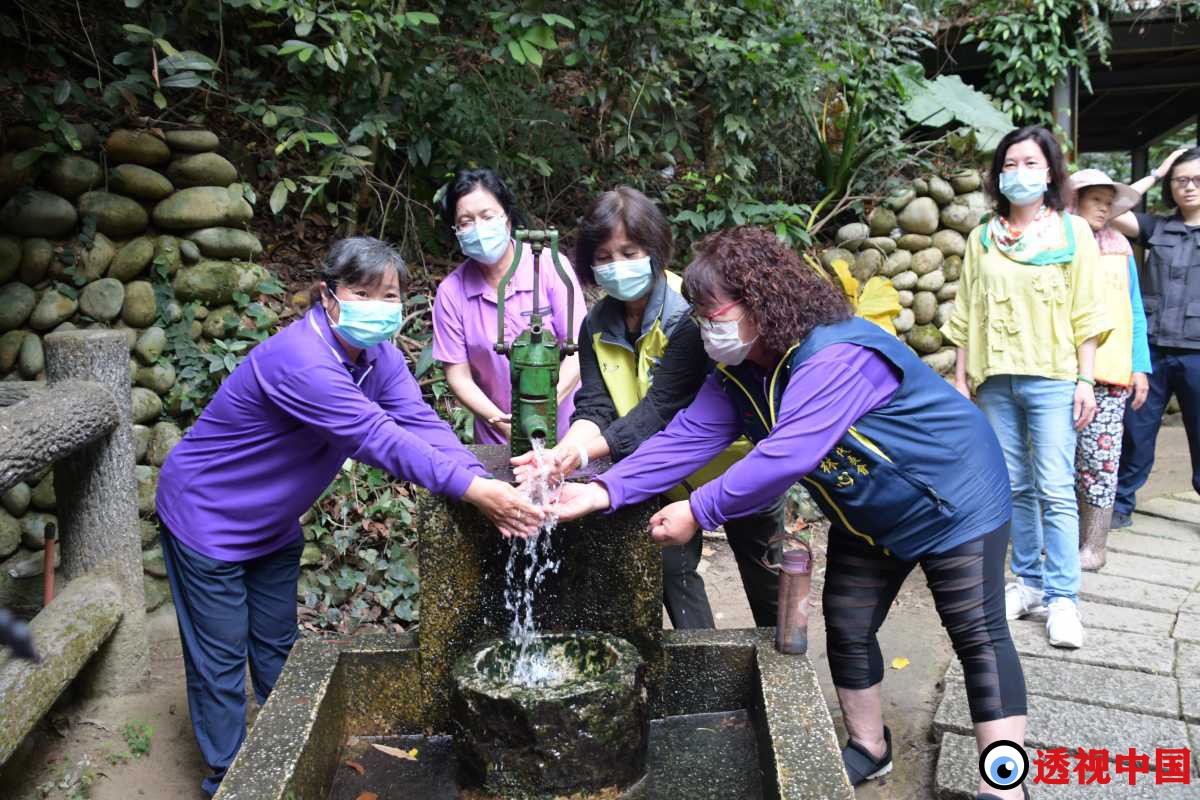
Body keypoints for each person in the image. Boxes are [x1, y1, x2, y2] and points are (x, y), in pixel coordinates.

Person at [553, 226, 1026, 800]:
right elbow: (686, 437)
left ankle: (1005, 787)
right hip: (866, 515)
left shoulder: (839, 352)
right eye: (697, 314)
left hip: (955, 498)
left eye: (711, 311)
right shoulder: (741, 371)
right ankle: (868, 748)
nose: (704, 326)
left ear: (760, 301)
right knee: (849, 626)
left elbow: (786, 455)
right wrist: (604, 491)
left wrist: (698, 510)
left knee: (977, 636)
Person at [156, 237, 543, 798]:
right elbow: (374, 436)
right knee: (218, 661)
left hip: (274, 521)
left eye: (388, 296)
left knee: (277, 646)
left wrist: (479, 477)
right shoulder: (300, 361)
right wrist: (473, 490)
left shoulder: (377, 354)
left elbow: (414, 416)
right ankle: (230, 782)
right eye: (362, 293)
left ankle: (293, 748)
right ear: (328, 296)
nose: (377, 306)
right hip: (208, 518)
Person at [513, 186, 784, 629]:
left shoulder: (690, 314)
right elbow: (596, 403)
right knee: (673, 574)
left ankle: (782, 678)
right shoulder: (597, 322)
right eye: (603, 256)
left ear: (655, 248)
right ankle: (701, 671)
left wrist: (581, 456)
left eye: (630, 251)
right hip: (664, 475)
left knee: (765, 580)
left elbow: (661, 408)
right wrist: (565, 451)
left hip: (740, 470)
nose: (616, 266)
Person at [942, 125, 1109, 650]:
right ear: (997, 174)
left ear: (1051, 172)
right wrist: (961, 376)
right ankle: (1030, 585)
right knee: (1013, 488)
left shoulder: (1071, 234)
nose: (1019, 174)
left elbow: (1087, 309)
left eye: (1031, 164)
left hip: (1055, 375)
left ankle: (1064, 599)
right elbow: (966, 309)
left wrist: (1086, 378)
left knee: (1057, 489)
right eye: (1010, 165)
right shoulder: (982, 238)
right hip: (995, 379)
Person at [433, 168, 585, 444]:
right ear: (455, 231)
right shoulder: (451, 293)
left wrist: (545, 406)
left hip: (568, 428)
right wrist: (502, 422)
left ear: (506, 217)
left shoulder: (549, 266)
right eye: (466, 221)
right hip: (498, 434)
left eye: (487, 216)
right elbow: (458, 375)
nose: (478, 228)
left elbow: (579, 350)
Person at [1107, 146, 1200, 526]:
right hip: (1152, 351)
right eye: (1181, 180)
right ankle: (1119, 506)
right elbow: (1108, 210)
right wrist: (1158, 172)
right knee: (1135, 431)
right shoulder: (1158, 227)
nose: (1189, 186)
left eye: (1197, 179)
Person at [1066, 169, 1152, 570]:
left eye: (1108, 201)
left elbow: (1134, 310)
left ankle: (1094, 546)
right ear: (1074, 201)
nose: (1104, 208)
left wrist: (1140, 366)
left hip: (1110, 372)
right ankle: (1063, 540)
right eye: (1095, 199)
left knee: (1101, 459)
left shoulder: (1120, 249)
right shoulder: (1057, 244)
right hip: (1061, 369)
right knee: (1059, 459)